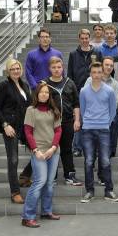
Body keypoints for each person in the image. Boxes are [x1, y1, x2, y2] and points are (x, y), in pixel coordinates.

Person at [21, 82, 62, 228]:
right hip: (38, 152)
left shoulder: (54, 110)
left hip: (53, 151)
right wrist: (35, 150)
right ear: (37, 94)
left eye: (47, 92)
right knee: (40, 182)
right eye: (41, 92)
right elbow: (28, 132)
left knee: (49, 183)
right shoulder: (31, 110)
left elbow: (58, 131)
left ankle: (46, 211)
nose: (44, 94)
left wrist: (53, 148)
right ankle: (27, 216)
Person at [0, 58, 32, 204]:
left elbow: (30, 105)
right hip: (10, 127)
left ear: (21, 70)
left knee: (38, 151)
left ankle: (25, 176)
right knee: (13, 159)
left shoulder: (25, 85)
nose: (16, 71)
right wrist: (5, 124)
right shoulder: (4, 85)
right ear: (8, 71)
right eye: (13, 69)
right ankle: (15, 192)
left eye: (18, 68)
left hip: (24, 125)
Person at [79, 62, 118, 203]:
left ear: (103, 74)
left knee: (105, 161)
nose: (96, 75)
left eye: (99, 72)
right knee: (89, 161)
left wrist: (105, 123)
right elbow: (82, 110)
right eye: (94, 72)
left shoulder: (109, 91)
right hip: (88, 130)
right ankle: (90, 191)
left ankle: (109, 191)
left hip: (103, 130)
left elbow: (113, 110)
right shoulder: (84, 91)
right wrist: (88, 122)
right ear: (91, 74)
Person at [44, 57, 82, 186]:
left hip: (67, 122)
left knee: (66, 149)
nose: (56, 70)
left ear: (63, 68)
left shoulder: (70, 83)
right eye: (54, 67)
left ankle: (70, 176)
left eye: (59, 67)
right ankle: (52, 177)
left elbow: (76, 103)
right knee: (51, 149)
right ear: (49, 69)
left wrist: (77, 120)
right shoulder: (44, 85)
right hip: (50, 123)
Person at [67, 28, 102, 157]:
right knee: (78, 119)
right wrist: (71, 90)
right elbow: (69, 74)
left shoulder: (97, 52)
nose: (84, 40)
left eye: (86, 38)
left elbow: (101, 70)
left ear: (89, 38)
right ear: (79, 39)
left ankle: (93, 146)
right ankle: (77, 147)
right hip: (78, 91)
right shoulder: (73, 54)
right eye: (82, 38)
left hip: (95, 91)